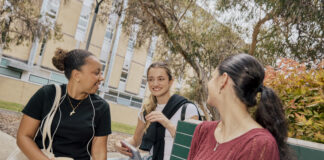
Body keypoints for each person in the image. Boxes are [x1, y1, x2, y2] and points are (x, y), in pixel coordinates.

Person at [188, 54, 292, 160]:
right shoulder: (203, 131)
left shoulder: (259, 145)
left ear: (223, 80)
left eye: (212, 77)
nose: (208, 83)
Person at [16, 48, 111, 160]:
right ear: (76, 75)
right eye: (96, 73)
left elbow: (99, 152)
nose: (102, 78)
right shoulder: (47, 94)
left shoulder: (102, 107)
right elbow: (24, 137)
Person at [115, 62, 200, 160]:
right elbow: (135, 140)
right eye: (151, 79)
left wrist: (167, 123)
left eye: (161, 79)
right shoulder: (147, 111)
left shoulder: (187, 109)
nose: (155, 84)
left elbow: (194, 144)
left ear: (170, 81)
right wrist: (121, 144)